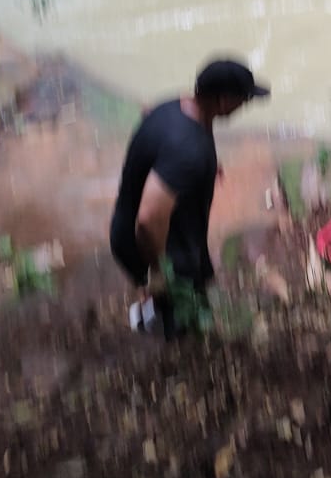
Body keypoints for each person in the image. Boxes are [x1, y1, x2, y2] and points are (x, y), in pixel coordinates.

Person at [109, 58, 269, 338]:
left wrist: (206, 166)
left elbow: (157, 134)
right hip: (157, 246)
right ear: (222, 101)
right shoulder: (188, 150)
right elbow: (148, 219)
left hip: (135, 227)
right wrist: (159, 270)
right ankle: (165, 345)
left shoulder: (173, 107)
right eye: (242, 99)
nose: (245, 106)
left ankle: (149, 314)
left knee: (196, 281)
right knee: (182, 314)